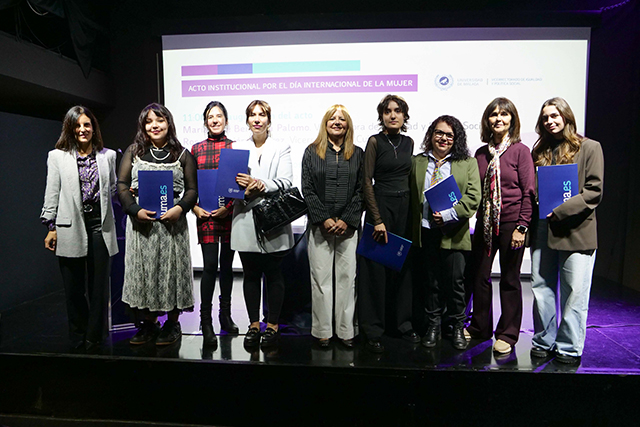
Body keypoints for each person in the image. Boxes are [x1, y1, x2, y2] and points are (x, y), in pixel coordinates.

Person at [529, 97, 604, 364]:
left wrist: (560, 210)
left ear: (566, 116)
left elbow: (593, 192)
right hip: (543, 228)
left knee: (574, 292)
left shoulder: (590, 147)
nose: (550, 121)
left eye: (554, 115)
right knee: (541, 287)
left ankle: (569, 347)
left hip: (576, 229)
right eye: (545, 118)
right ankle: (543, 340)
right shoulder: (540, 151)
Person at [117, 103, 197, 346]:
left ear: (168, 123)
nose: (155, 125)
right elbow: (122, 185)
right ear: (143, 126)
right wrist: (135, 210)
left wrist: (180, 208)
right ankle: (149, 324)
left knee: (172, 273)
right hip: (142, 227)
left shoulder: (183, 155)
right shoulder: (133, 151)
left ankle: (172, 323)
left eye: (160, 120)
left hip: (173, 227)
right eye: (149, 121)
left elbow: (192, 190)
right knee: (144, 274)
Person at [41, 106, 119, 351]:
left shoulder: (108, 156)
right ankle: (78, 334)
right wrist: (50, 226)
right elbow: (52, 192)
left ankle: (94, 337)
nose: (83, 129)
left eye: (87, 124)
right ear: (70, 128)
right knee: (73, 289)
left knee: (98, 289)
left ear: (94, 127)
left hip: (100, 226)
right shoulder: (57, 156)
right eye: (77, 125)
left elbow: (113, 188)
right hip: (70, 225)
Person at [465, 97, 536, 355]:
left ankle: (508, 333)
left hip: (512, 223)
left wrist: (522, 226)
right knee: (480, 276)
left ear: (512, 120)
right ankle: (480, 327)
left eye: (504, 114)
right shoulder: (481, 154)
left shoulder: (520, 151)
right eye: (494, 114)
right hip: (485, 223)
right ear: (487, 120)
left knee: (509, 278)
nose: (498, 119)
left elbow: (529, 192)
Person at [410, 115, 480, 350]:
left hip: (454, 232)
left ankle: (457, 326)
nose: (443, 138)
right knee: (431, 282)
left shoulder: (467, 163)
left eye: (449, 135)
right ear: (431, 135)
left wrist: (449, 214)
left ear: (456, 138)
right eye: (439, 133)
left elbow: (474, 197)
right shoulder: (418, 161)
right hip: (425, 232)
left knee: (455, 284)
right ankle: (434, 326)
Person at [231, 100, 294, 347]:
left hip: (273, 219)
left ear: (269, 120)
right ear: (247, 120)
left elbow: (286, 181)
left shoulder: (281, 146)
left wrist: (260, 184)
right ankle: (254, 325)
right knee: (250, 275)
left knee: (274, 274)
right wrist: (244, 192)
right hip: (245, 217)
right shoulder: (237, 147)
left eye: (262, 115)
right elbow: (228, 185)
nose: (257, 119)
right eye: (252, 115)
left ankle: (273, 325)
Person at [359, 94, 419, 353]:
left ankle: (402, 325)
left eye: (397, 111)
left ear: (404, 115)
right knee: (375, 273)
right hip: (381, 207)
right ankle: (373, 330)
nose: (392, 115)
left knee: (402, 269)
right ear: (381, 115)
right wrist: (377, 219)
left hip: (405, 209)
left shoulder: (409, 142)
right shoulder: (375, 141)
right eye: (387, 111)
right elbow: (366, 181)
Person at [301, 104, 364, 349]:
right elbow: (307, 189)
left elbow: (361, 190)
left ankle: (346, 331)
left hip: (348, 228)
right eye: (332, 118)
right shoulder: (311, 152)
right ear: (325, 123)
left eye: (342, 119)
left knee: (348, 279)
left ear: (348, 125)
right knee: (320, 279)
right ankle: (323, 331)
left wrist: (346, 219)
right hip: (320, 227)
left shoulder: (357, 153)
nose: (337, 122)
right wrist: (324, 218)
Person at [191, 101, 238, 348]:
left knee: (227, 266)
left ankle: (225, 316)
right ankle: (206, 321)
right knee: (209, 266)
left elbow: (238, 184)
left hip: (229, 214)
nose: (215, 120)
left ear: (226, 120)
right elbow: (190, 185)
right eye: (210, 116)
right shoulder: (196, 149)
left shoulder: (234, 147)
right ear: (205, 121)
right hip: (205, 215)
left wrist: (228, 208)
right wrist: (194, 208)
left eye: (219, 116)